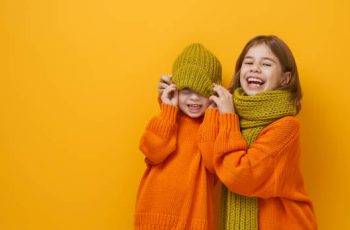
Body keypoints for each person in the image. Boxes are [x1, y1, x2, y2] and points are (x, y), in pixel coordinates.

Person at [158, 35, 317, 230]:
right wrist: (171, 102)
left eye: (266, 64)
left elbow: (241, 176)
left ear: (285, 78)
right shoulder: (231, 113)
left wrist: (227, 116)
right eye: (248, 62)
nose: (255, 68)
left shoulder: (286, 127)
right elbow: (200, 145)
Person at [135, 43, 223, 230]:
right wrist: (168, 109)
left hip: (195, 219)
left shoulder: (213, 126)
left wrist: (214, 113)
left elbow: (212, 162)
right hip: (153, 214)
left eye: (202, 92)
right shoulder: (167, 119)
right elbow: (153, 152)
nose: (193, 98)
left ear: (214, 94)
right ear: (175, 90)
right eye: (186, 91)